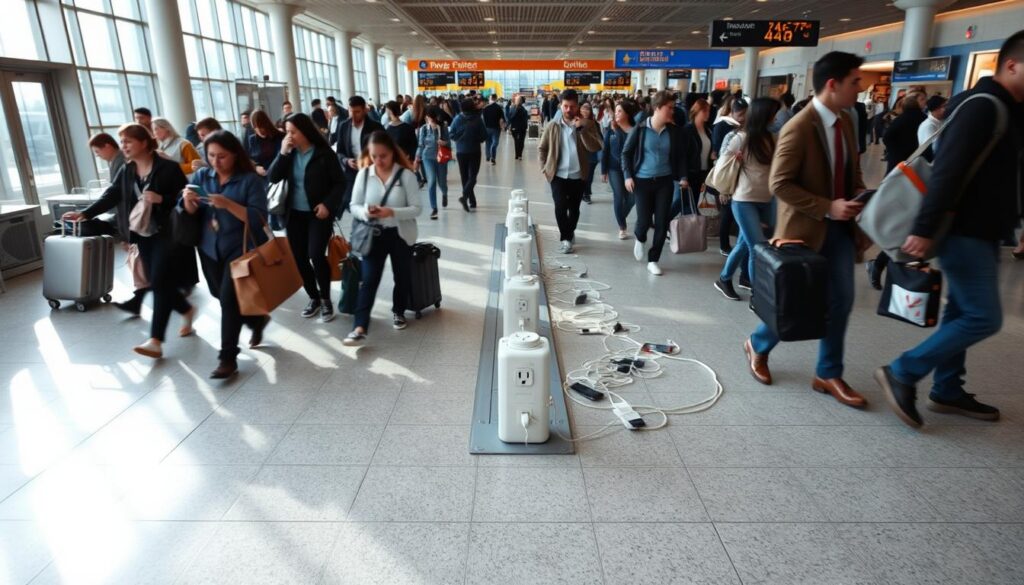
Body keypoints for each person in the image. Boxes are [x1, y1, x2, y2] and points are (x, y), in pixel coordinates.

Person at [876, 31, 1024, 428]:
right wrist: (925, 228)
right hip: (963, 229)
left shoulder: (1004, 106)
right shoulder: (984, 106)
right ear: (1011, 64)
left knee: (962, 310)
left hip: (982, 228)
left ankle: (948, 388)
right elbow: (948, 168)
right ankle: (904, 370)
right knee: (984, 317)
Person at [742, 51, 869, 409]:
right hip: (804, 232)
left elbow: (850, 171)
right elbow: (780, 183)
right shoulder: (798, 127)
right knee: (796, 304)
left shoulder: (845, 122)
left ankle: (828, 372)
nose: (860, 88)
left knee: (841, 301)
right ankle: (758, 343)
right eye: (855, 82)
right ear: (833, 84)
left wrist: (861, 194)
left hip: (840, 230)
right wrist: (827, 206)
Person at [63, 124, 195, 358]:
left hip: (168, 233)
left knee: (160, 279)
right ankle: (186, 309)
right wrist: (86, 213)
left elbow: (184, 197)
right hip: (142, 234)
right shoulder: (127, 170)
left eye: (128, 141)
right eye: (121, 141)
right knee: (156, 282)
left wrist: (161, 198)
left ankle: (155, 340)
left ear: (144, 142)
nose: (123, 145)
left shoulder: (168, 168)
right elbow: (112, 194)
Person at [181, 130, 271, 379]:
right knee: (220, 295)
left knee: (230, 302)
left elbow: (259, 218)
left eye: (222, 156)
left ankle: (227, 358)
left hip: (240, 249)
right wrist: (188, 202)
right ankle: (257, 320)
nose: (215, 161)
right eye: (211, 155)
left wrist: (229, 204)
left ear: (234, 155)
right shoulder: (202, 175)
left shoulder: (249, 180)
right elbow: (189, 212)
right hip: (210, 247)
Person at [343, 131, 422, 346]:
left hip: (400, 235)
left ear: (392, 153)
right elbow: (353, 205)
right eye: (374, 155)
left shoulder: (406, 175)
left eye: (383, 156)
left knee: (402, 276)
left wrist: (392, 212)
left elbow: (417, 208)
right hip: (373, 235)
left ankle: (398, 311)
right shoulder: (364, 175)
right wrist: (366, 212)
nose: (379, 160)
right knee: (368, 281)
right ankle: (359, 327)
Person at [267, 112, 345, 323]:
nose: (289, 136)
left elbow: (340, 183)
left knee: (316, 254)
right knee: (299, 258)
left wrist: (328, 204)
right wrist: (283, 152)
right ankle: (314, 297)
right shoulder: (289, 153)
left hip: (318, 214)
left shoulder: (323, 153)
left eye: (293, 132)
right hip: (294, 215)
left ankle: (326, 299)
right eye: (287, 132)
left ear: (305, 131)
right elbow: (273, 176)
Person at [713, 98, 781, 301]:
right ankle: (758, 297)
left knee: (745, 243)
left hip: (767, 199)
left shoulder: (773, 138)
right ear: (764, 116)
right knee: (757, 248)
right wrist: (733, 160)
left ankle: (724, 279)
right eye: (773, 114)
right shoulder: (740, 139)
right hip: (744, 200)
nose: (775, 118)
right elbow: (722, 169)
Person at [621, 90, 689, 276]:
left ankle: (653, 259)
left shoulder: (674, 132)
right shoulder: (641, 129)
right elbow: (626, 153)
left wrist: (683, 177)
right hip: (641, 182)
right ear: (658, 108)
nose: (672, 112)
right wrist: (628, 176)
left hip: (664, 182)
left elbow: (681, 157)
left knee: (661, 221)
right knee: (643, 221)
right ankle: (640, 237)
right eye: (669, 108)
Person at [538, 89, 603, 254]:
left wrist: (582, 130)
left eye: (572, 106)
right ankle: (566, 238)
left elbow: (595, 147)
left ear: (578, 107)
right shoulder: (552, 125)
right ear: (560, 105)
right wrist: (545, 169)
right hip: (557, 175)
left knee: (574, 209)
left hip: (578, 175)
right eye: (565, 106)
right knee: (560, 207)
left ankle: (569, 231)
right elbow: (542, 148)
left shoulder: (588, 125)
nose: (568, 110)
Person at [711, 95, 748, 256]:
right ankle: (724, 244)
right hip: (727, 174)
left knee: (731, 212)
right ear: (733, 112)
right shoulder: (722, 126)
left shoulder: (745, 128)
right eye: (740, 115)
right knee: (726, 212)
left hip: (741, 176)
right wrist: (722, 189)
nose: (743, 119)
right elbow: (721, 157)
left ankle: (731, 244)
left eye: (745, 115)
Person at [336, 96, 384, 216]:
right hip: (351, 171)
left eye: (357, 112)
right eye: (350, 111)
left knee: (372, 203)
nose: (353, 115)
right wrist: (346, 161)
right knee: (350, 201)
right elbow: (339, 151)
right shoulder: (343, 126)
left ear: (364, 110)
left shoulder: (375, 127)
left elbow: (385, 149)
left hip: (372, 171)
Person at [601, 100, 639, 240]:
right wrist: (603, 170)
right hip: (614, 169)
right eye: (615, 111)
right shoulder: (611, 130)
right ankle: (622, 226)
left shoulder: (636, 131)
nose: (616, 114)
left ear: (627, 113)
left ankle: (620, 216)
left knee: (632, 197)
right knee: (619, 196)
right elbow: (605, 151)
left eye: (619, 111)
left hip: (632, 170)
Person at [448, 97, 487, 212]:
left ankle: (471, 201)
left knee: (465, 178)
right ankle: (466, 197)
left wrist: (460, 138)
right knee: (472, 177)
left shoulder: (457, 118)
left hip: (461, 152)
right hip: (474, 151)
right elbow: (484, 136)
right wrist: (475, 138)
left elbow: (452, 134)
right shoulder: (478, 119)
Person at [679, 98, 714, 217]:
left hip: (704, 172)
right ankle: (663, 222)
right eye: (705, 111)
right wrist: (683, 176)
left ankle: (693, 228)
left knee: (694, 203)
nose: (707, 114)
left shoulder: (708, 130)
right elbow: (682, 155)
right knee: (684, 202)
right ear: (697, 111)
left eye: (708, 111)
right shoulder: (688, 130)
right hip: (691, 172)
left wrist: (712, 155)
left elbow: (706, 149)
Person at [415, 106, 450, 220]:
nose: (429, 119)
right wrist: (417, 158)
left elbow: (448, 143)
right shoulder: (424, 129)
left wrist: (444, 142)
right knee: (432, 181)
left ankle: (444, 194)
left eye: (430, 117)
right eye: (428, 117)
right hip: (427, 157)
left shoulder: (442, 128)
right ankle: (434, 208)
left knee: (442, 182)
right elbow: (420, 144)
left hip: (440, 158)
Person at [883, 91, 927, 172]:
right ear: (915, 102)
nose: (925, 102)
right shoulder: (923, 118)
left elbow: (887, 136)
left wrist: (893, 151)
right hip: (914, 157)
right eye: (922, 99)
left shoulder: (901, 118)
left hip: (898, 157)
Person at [246, 110, 284, 176]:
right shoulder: (252, 139)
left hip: (277, 175)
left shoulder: (279, 136)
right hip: (261, 177)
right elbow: (250, 158)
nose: (259, 131)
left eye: (260, 126)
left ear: (266, 124)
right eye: (255, 127)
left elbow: (281, 158)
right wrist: (255, 167)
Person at [383, 100, 418, 165]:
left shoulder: (388, 129)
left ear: (390, 111)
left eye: (386, 111)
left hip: (401, 162)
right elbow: (414, 145)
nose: (385, 113)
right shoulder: (408, 128)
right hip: (398, 162)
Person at [579, 102, 601, 204]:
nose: (585, 110)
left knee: (589, 175)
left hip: (591, 153)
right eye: (583, 108)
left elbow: (600, 139)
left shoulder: (594, 123)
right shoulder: (575, 121)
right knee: (581, 175)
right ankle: (583, 193)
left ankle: (586, 194)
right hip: (579, 152)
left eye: (588, 108)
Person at [482, 94, 504, 165]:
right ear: (496, 98)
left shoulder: (485, 108)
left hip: (487, 128)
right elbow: (501, 119)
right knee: (495, 142)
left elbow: (483, 119)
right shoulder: (499, 108)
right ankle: (493, 157)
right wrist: (502, 127)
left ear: (490, 98)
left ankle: (488, 156)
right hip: (496, 128)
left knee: (488, 142)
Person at [505, 95, 529, 161]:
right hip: (522, 128)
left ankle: (517, 155)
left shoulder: (512, 108)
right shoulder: (523, 109)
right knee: (521, 141)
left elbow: (509, 117)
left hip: (514, 127)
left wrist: (507, 126)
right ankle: (519, 155)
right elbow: (525, 119)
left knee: (516, 141)